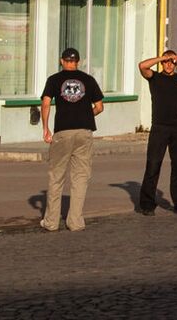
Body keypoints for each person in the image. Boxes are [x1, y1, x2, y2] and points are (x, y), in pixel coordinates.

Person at [39, 48, 104, 232]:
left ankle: (51, 222)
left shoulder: (54, 79)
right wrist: (85, 114)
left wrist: (45, 128)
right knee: (80, 177)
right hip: (84, 132)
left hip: (63, 132)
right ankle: (75, 221)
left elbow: (45, 103)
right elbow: (99, 107)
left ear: (62, 61)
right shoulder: (89, 80)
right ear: (78, 61)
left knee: (56, 176)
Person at [135, 50, 177, 215]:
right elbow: (142, 66)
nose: (169, 65)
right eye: (166, 62)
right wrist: (163, 57)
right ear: (162, 63)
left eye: (171, 62)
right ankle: (147, 205)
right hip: (159, 128)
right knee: (153, 165)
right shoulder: (155, 78)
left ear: (176, 63)